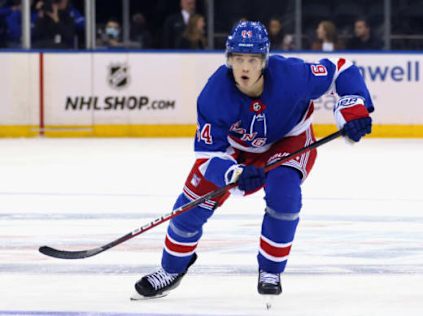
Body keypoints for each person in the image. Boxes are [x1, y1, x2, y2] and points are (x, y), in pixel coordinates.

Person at [133, 21, 373, 299]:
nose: (244, 67)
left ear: (264, 60)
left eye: (252, 59)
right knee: (189, 210)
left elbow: (341, 67)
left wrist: (353, 109)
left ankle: (270, 269)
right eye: (238, 59)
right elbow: (209, 157)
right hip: (235, 150)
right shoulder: (213, 95)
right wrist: (234, 175)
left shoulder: (292, 75)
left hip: (289, 140)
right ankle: (172, 269)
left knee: (284, 193)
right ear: (229, 60)